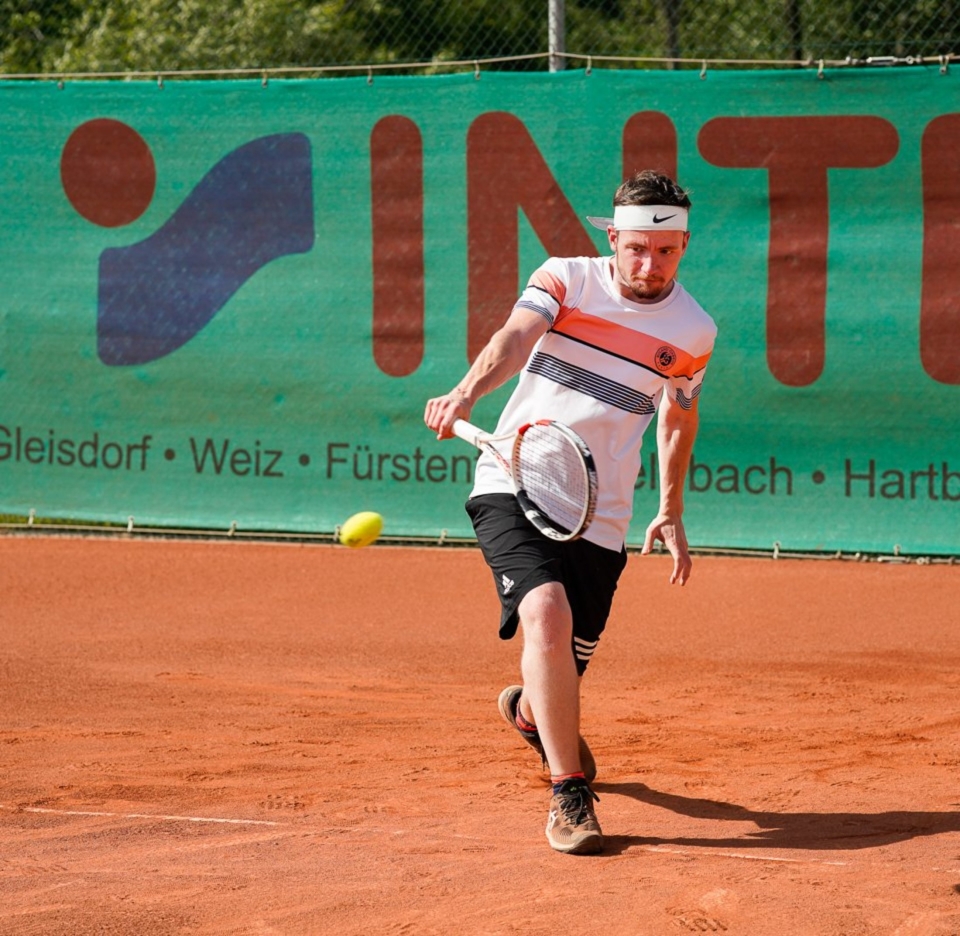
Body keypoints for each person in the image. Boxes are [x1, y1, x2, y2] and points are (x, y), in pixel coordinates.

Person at [423, 170, 717, 855]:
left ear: (683, 247)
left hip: (601, 512)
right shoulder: (566, 279)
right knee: (545, 615)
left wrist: (671, 507)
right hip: (513, 477)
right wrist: (466, 390)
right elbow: (515, 337)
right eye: (636, 248)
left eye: (666, 251)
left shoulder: (694, 330)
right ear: (612, 238)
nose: (649, 264)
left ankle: (530, 712)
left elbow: (678, 419)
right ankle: (570, 792)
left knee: (560, 663)